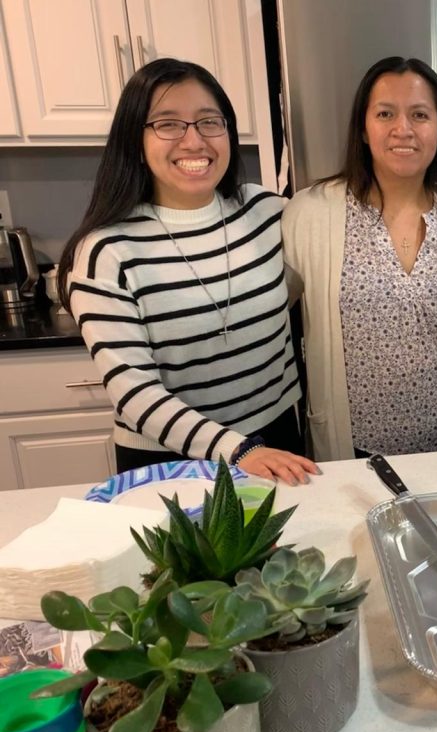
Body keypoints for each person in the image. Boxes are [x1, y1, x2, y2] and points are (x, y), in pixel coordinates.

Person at [57, 59, 318, 484]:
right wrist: (237, 449)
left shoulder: (267, 213)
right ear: (134, 140)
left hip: (277, 437)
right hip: (171, 458)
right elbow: (134, 392)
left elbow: (344, 233)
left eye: (209, 122)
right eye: (168, 124)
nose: (194, 141)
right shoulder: (105, 250)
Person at [281, 57, 437, 460]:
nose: (402, 129)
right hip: (352, 450)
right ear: (363, 128)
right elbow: (269, 316)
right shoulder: (311, 213)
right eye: (385, 113)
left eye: (420, 115)